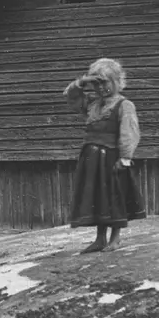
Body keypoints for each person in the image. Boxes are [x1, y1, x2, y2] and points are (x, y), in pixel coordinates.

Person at [65, 58, 146, 253]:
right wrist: (82, 82)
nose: (100, 88)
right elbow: (71, 96)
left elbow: (130, 132)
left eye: (104, 82)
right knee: (97, 198)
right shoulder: (92, 105)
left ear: (117, 81)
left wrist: (125, 157)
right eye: (96, 83)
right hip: (92, 161)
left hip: (111, 159)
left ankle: (115, 239)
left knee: (114, 196)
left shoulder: (124, 105)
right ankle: (100, 239)